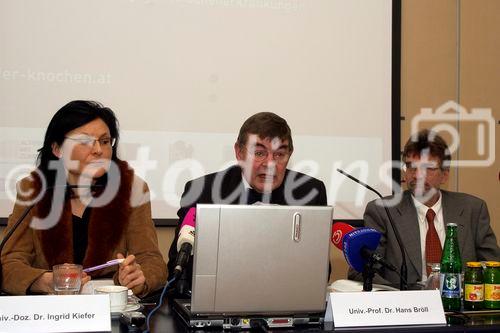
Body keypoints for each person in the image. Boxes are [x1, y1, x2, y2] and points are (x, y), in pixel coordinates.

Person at [0, 100, 167, 296]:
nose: (98, 150)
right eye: (85, 142)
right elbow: (9, 263)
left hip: (109, 308)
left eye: (105, 141)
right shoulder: (34, 189)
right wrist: (43, 281)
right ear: (57, 149)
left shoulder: (131, 189)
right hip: (50, 310)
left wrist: (138, 277)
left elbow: (152, 260)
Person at [167, 112, 328, 294]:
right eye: (259, 153)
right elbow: (177, 269)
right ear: (239, 152)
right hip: (220, 298)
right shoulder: (202, 191)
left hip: (286, 298)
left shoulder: (310, 192)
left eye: (279, 154)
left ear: (289, 155)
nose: (270, 164)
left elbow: (320, 271)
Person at [349, 129, 500, 286]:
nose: (417, 175)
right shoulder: (383, 211)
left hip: (461, 305)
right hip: (407, 306)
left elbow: (492, 265)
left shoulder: (472, 209)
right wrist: (409, 293)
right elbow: (361, 271)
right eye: (411, 167)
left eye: (428, 168)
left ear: (445, 175)